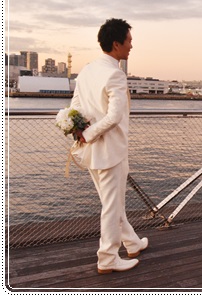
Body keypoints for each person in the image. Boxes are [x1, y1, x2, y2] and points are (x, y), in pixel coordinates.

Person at [70, 18, 148, 273]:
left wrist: (82, 133)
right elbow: (114, 117)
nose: (131, 46)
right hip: (111, 150)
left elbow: (75, 109)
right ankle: (107, 258)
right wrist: (90, 134)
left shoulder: (88, 70)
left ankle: (133, 243)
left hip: (91, 152)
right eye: (129, 41)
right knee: (112, 206)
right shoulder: (115, 74)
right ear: (116, 44)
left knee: (112, 203)